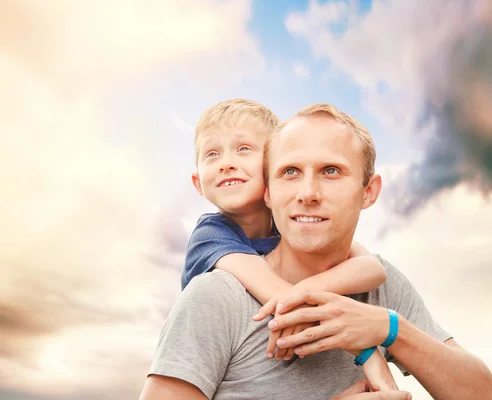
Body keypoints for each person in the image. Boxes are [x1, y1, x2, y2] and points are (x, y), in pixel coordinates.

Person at [140, 103, 492, 399]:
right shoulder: (217, 294)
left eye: (331, 171)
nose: (308, 192)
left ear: (368, 192)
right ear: (269, 190)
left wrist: (390, 330)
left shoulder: (384, 291)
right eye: (290, 171)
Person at [178, 98, 395, 389]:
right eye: (212, 154)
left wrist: (309, 289)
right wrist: (368, 352)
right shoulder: (212, 235)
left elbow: (372, 269)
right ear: (197, 183)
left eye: (243, 149)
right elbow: (284, 300)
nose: (227, 164)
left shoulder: (293, 225)